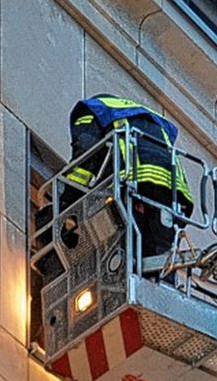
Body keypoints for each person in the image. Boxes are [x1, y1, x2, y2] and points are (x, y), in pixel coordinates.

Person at [65, 94, 194, 260]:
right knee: (158, 258)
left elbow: (84, 154)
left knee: (123, 250)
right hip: (172, 194)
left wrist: (67, 202)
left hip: (136, 183)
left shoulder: (90, 110)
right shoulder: (145, 117)